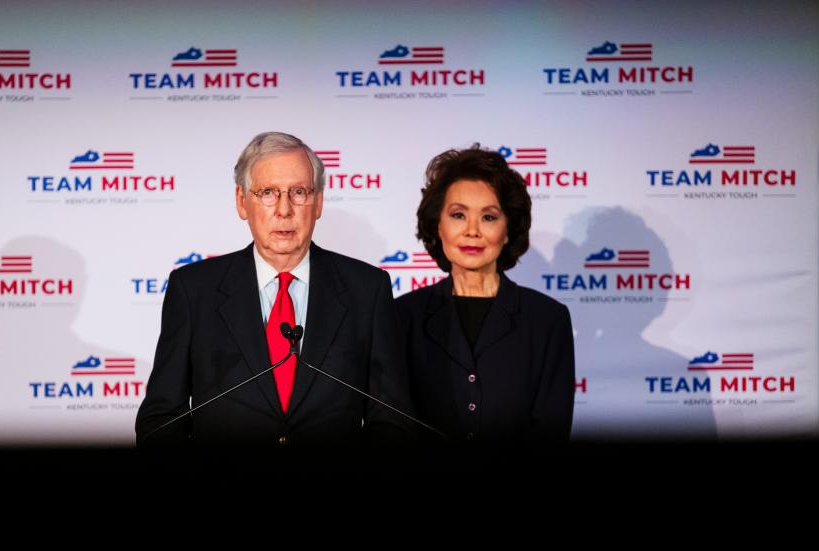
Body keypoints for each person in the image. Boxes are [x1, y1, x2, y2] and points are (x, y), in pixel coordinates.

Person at [136, 132, 415, 446]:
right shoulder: (193, 290)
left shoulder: (367, 290)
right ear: (242, 202)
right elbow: (161, 420)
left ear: (319, 202)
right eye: (268, 192)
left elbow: (394, 419)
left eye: (299, 192)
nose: (284, 209)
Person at [395, 145, 574, 444]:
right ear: (438, 225)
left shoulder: (547, 320)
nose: (472, 231)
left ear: (508, 230)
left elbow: (551, 432)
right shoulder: (401, 316)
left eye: (489, 217)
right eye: (458, 215)